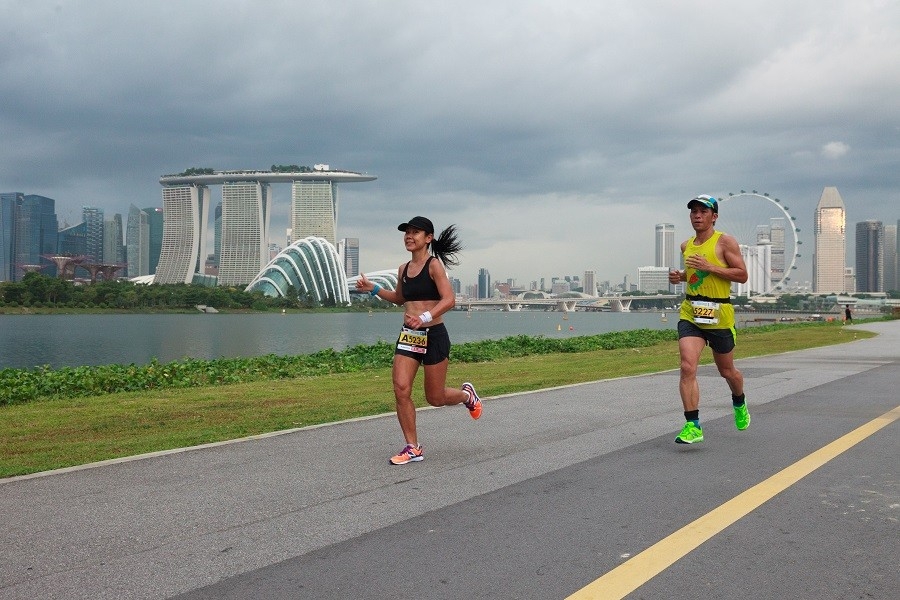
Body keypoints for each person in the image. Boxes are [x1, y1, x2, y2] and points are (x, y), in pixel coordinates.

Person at [356, 216, 482, 465]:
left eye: (415, 232)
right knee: (401, 388)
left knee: (435, 398)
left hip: (434, 335)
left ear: (428, 238)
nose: (409, 236)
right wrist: (373, 289)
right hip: (409, 336)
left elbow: (449, 300)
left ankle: (468, 396)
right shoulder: (403, 269)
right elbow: (400, 299)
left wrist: (424, 316)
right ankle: (412, 447)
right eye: (407, 233)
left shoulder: (434, 265)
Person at [668, 195, 749, 444]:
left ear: (714, 216)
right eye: (693, 211)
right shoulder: (686, 245)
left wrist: (710, 266)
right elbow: (696, 275)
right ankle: (693, 425)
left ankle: (739, 401)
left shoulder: (725, 242)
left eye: (703, 211)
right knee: (687, 366)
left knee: (727, 371)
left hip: (719, 314)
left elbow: (742, 275)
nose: (697, 215)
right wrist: (680, 277)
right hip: (691, 312)